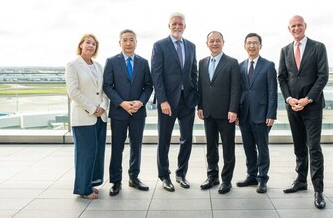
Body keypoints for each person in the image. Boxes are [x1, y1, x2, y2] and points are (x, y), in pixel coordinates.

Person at [277, 15, 329, 209]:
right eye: (293, 26)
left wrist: (307, 99)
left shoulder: (318, 47)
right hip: (293, 106)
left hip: (312, 106)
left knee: (314, 147)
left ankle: (318, 190)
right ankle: (300, 181)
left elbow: (323, 76)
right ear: (289, 28)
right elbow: (281, 77)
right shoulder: (285, 50)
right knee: (299, 146)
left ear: (305, 26)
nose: (296, 28)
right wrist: (289, 99)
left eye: (299, 25)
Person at [151, 12, 199, 192]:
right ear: (169, 26)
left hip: (188, 101)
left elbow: (193, 73)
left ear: (185, 26)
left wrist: (195, 96)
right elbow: (156, 74)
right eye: (174, 24)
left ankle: (181, 174)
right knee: (164, 139)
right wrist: (162, 100)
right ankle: (164, 176)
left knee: (187, 139)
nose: (177, 26)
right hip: (168, 103)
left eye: (180, 24)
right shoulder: (160, 45)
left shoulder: (191, 46)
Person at [103, 29, 153, 196]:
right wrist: (122, 103)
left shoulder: (144, 62)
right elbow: (107, 86)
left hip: (138, 112)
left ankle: (134, 178)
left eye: (132, 40)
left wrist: (140, 102)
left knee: (136, 146)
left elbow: (148, 86)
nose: (128, 43)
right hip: (119, 112)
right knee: (117, 147)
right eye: (125, 40)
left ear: (136, 42)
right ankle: (116, 181)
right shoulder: (111, 62)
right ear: (120, 43)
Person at [65, 34, 109, 199]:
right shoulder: (73, 65)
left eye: (94, 43)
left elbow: (104, 90)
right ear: (81, 45)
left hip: (100, 116)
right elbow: (73, 91)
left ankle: (90, 184)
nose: (91, 45)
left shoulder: (98, 66)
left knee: (96, 152)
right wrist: (93, 108)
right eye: (88, 42)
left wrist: (103, 107)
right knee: (85, 153)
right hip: (84, 116)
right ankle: (83, 189)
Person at [197, 31, 240, 194]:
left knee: (228, 148)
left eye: (218, 41)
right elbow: (201, 86)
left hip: (226, 113)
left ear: (223, 42)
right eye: (211, 41)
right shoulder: (202, 62)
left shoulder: (232, 62)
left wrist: (233, 109)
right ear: (207, 43)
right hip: (207, 112)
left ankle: (226, 180)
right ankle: (212, 176)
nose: (215, 43)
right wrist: (199, 106)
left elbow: (236, 88)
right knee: (210, 147)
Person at [236, 33, 277, 194]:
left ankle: (262, 179)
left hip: (262, 114)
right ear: (244, 46)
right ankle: (251, 175)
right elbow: (238, 91)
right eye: (249, 43)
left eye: (255, 43)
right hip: (244, 114)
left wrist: (271, 114)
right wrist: (237, 112)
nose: (252, 46)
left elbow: (272, 91)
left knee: (262, 148)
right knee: (248, 148)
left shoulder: (268, 65)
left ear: (260, 45)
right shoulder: (240, 66)